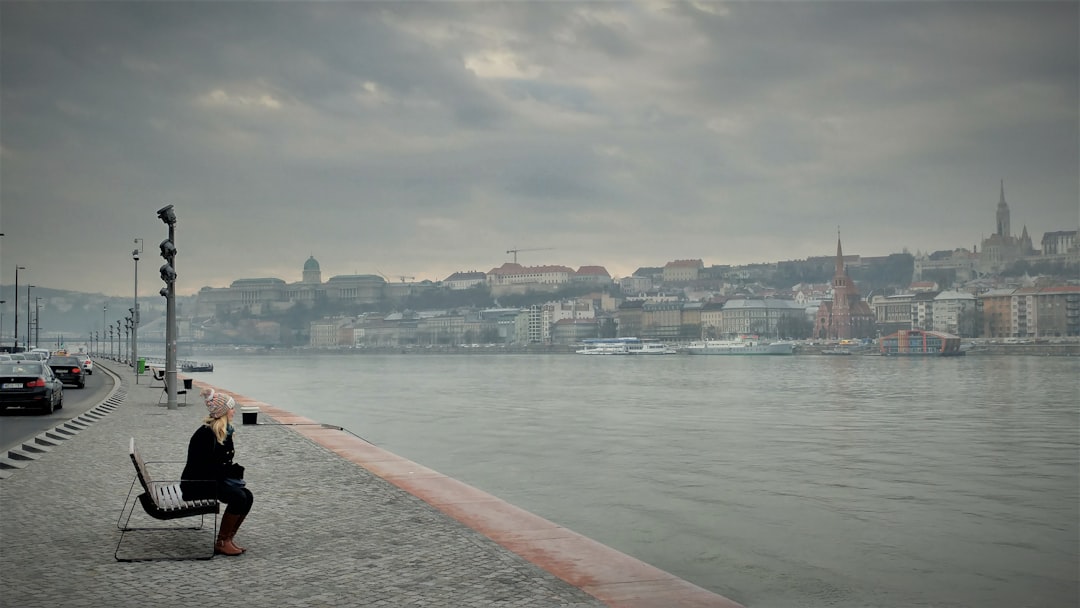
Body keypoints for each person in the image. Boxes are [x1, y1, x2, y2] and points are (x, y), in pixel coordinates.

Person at [180, 388, 254, 556]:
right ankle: (221, 542)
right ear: (223, 412)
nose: (234, 411)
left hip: (209, 480)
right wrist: (231, 476)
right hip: (196, 484)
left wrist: (233, 475)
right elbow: (207, 468)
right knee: (239, 497)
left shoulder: (221, 431)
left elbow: (219, 464)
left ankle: (227, 538)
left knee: (247, 496)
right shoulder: (207, 435)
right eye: (232, 408)